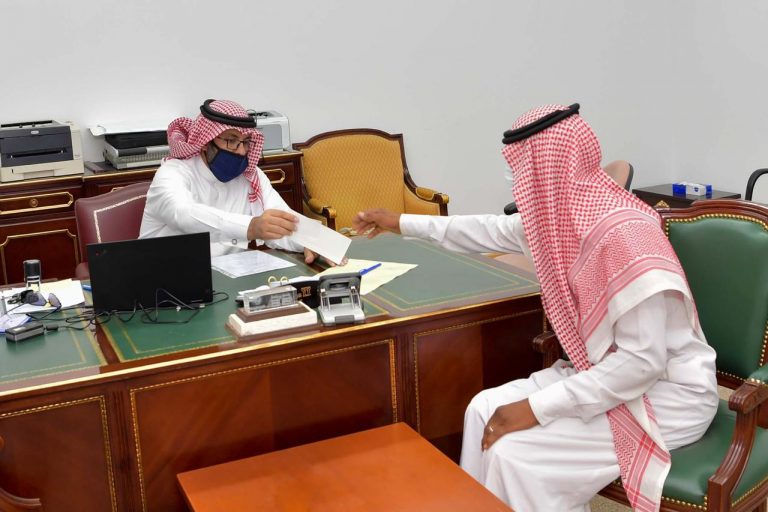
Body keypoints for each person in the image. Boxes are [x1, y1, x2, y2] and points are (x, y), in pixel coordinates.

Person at [352, 104, 718, 512]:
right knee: (483, 410)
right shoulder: (558, 223)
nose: (517, 182)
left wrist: (535, 409)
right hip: (606, 374)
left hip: (668, 394)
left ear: (548, 168)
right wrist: (399, 222)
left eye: (522, 170)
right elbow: (482, 229)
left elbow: (641, 363)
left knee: (516, 456)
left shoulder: (627, 236)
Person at [140, 99, 320, 263]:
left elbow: (281, 220)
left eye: (246, 142)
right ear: (205, 142)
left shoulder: (250, 175)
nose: (241, 151)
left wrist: (315, 242)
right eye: (231, 140)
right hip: (162, 277)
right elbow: (183, 215)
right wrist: (250, 227)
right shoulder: (172, 173)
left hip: (226, 279)